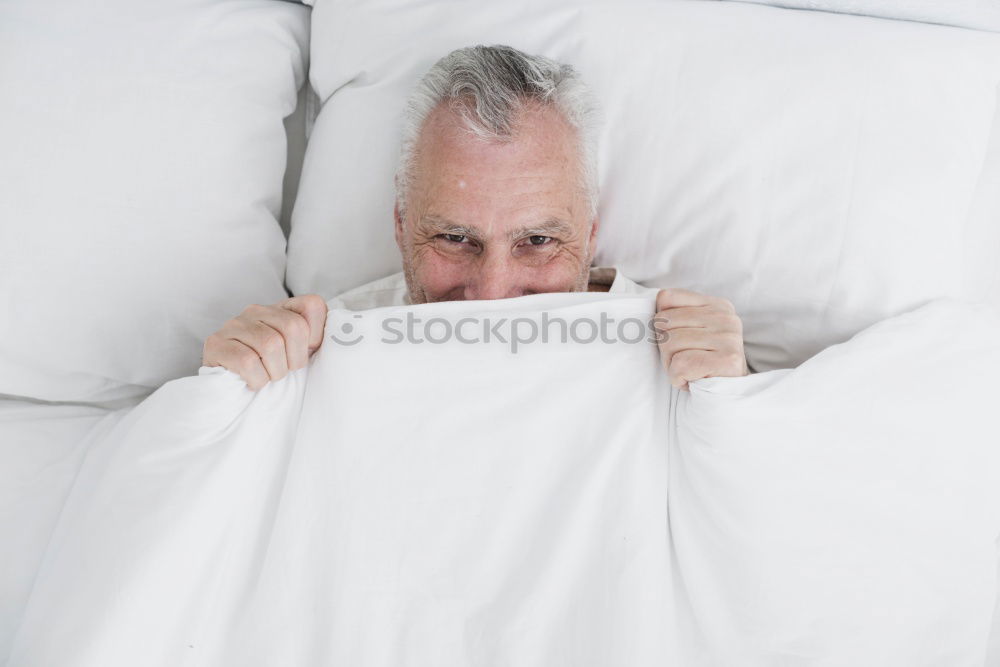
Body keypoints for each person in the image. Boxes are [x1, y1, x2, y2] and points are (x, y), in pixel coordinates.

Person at [203, 45, 751, 391]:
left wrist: (741, 396)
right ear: (401, 226)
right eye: (454, 237)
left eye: (537, 240)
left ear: (588, 235)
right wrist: (229, 389)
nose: (491, 296)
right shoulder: (314, 354)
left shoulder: (675, 351)